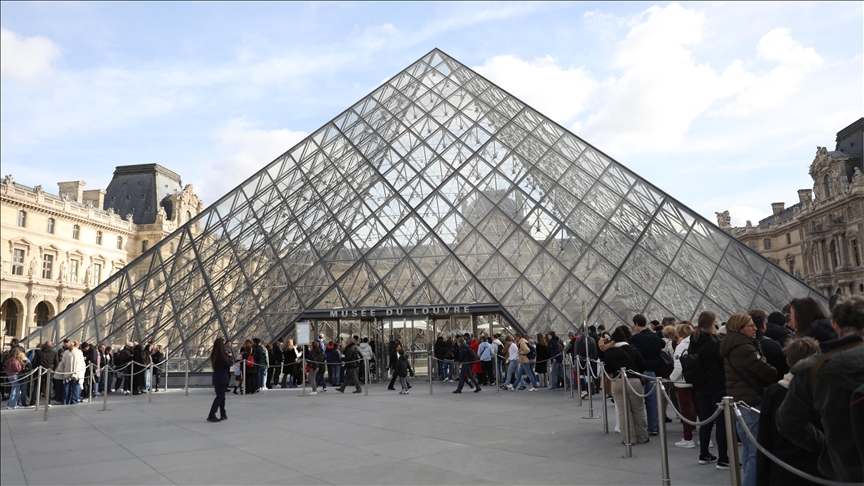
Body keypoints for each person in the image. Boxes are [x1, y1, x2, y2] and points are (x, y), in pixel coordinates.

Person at [776, 295, 864, 483]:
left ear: (834, 325)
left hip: (844, 469)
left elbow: (787, 423)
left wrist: (825, 445)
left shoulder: (810, 369)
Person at [756, 337, 823, 486]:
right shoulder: (827, 391)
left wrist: (762, 478)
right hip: (820, 469)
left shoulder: (774, 392)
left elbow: (765, 438)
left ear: (788, 361)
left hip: (783, 469)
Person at [720, 313, 777, 486]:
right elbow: (768, 372)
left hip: (740, 402)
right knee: (755, 452)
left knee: (747, 449)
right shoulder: (744, 347)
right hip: (750, 402)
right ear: (740, 328)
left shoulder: (731, 344)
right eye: (751, 325)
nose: (755, 328)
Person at [688, 311, 730, 469]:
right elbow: (723, 363)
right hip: (717, 384)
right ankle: (723, 458)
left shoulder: (694, 339)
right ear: (713, 322)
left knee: (705, 420)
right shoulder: (715, 341)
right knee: (721, 422)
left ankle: (704, 454)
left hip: (700, 385)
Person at [601, 327, 649, 445]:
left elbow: (609, 369)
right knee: (638, 410)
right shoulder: (633, 349)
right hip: (634, 381)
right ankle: (642, 437)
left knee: (623, 412)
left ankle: (627, 439)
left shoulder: (609, 352)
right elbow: (643, 365)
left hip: (617, 382)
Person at [629, 314, 665, 435]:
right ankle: (654, 427)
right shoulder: (655, 337)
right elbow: (662, 345)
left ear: (636, 324)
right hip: (653, 372)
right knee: (652, 402)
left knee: (637, 403)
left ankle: (640, 428)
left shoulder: (636, 339)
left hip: (640, 373)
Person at [669, 322, 699, 449]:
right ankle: (706, 439)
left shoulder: (681, 346)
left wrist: (671, 379)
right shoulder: (696, 344)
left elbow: (678, 367)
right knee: (700, 410)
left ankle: (688, 438)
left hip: (682, 383)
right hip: (696, 381)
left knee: (685, 411)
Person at [207, 338, 231, 423]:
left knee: (222, 397)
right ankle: (211, 414)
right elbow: (227, 364)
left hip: (217, 377)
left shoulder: (215, 353)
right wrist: (229, 357)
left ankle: (223, 414)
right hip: (222, 378)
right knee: (220, 397)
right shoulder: (221, 354)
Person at [57, 341, 86, 405]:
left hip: (67, 372)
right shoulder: (79, 352)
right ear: (77, 345)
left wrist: (61, 370)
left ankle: (65, 401)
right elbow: (82, 363)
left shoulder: (66, 352)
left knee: (67, 387)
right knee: (76, 386)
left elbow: (62, 362)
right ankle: (74, 401)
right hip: (77, 372)